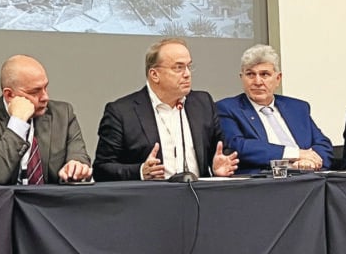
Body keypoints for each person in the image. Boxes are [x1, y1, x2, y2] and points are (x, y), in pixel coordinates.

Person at [93, 37, 239, 181]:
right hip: (150, 194)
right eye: (178, 68)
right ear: (155, 75)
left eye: (189, 66)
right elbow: (102, 168)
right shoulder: (122, 112)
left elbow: (221, 149)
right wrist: (140, 172)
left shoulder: (202, 104)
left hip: (198, 194)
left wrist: (219, 166)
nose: (187, 74)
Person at [0, 55, 92, 184]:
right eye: (35, 92)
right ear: (9, 95)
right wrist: (18, 122)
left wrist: (77, 167)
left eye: (45, 87)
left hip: (51, 197)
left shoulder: (63, 114)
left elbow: (79, 157)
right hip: (6, 198)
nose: (45, 97)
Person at [216, 44, 333, 172]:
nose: (257, 82)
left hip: (305, 177)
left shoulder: (297, 108)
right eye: (250, 74)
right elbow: (238, 146)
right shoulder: (228, 108)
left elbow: (323, 145)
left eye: (264, 74)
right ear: (242, 78)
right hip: (264, 180)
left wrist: (309, 162)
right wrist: (296, 154)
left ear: (278, 79)